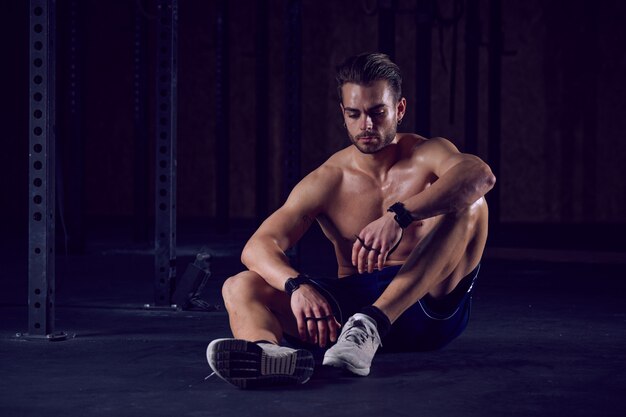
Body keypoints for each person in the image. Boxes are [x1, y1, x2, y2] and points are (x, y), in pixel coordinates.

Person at [206, 52, 496, 389]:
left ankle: (373, 322)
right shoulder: (329, 179)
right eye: (354, 114)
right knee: (239, 284)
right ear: (343, 115)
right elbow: (258, 246)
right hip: (347, 325)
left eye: (377, 113)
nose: (366, 126)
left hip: (426, 308)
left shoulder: (427, 154)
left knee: (472, 203)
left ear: (399, 110)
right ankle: (268, 356)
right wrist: (296, 285)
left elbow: (480, 176)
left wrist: (400, 215)